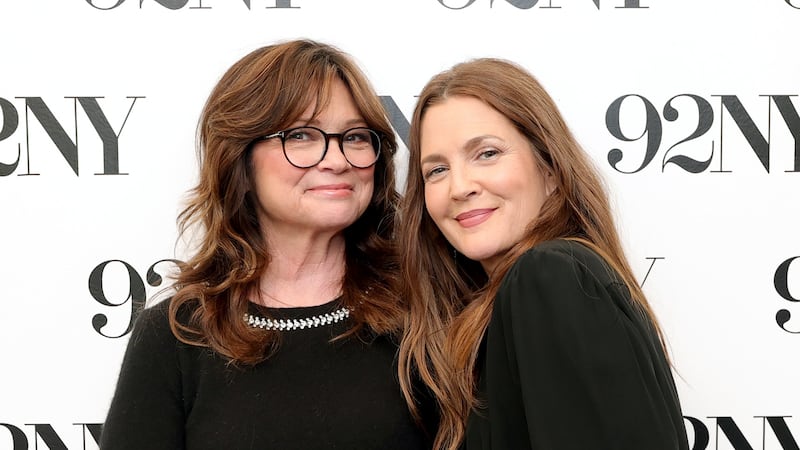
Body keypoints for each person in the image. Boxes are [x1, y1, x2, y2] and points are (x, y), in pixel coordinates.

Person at [100, 39, 433, 449]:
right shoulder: (174, 336)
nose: (338, 160)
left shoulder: (426, 310)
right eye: (302, 135)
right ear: (240, 157)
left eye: (356, 137)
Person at [397, 58, 689, 450]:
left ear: (550, 170)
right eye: (436, 170)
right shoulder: (511, 303)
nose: (459, 186)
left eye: (487, 153)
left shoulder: (551, 277)